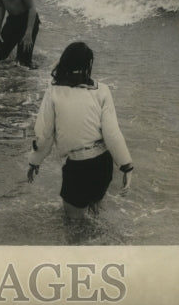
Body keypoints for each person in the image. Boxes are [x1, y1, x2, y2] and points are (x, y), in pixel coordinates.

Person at [26, 42, 133, 219]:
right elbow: (112, 134)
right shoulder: (103, 90)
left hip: (78, 167)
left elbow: (44, 134)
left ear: (64, 62)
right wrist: (126, 166)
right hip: (103, 166)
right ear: (88, 65)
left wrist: (34, 161)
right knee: (94, 217)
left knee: (73, 225)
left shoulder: (54, 90)